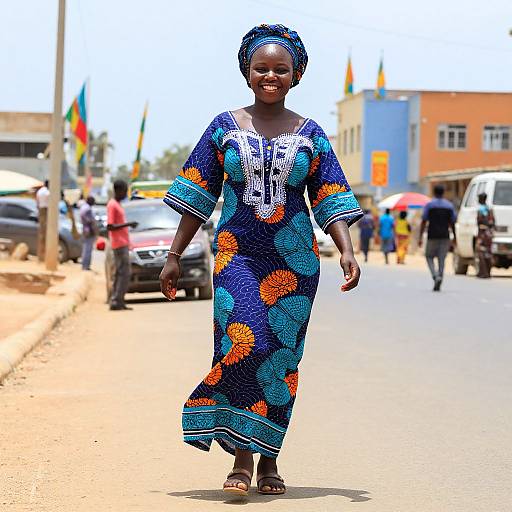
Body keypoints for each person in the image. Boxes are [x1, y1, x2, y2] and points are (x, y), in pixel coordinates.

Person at [159, 24, 363, 497]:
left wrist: (347, 249)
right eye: (262, 68)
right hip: (236, 255)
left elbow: (329, 196)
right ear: (247, 73)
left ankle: (270, 459)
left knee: (280, 358)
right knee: (241, 346)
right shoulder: (223, 127)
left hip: (294, 262)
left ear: (296, 75)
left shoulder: (310, 133)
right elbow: (196, 195)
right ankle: (242, 460)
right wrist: (173, 256)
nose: (270, 76)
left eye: (280, 69)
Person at [106, 180, 138, 310]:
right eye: (124, 191)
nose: (125, 194)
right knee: (123, 273)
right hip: (118, 244)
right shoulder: (112, 205)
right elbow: (110, 226)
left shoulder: (117, 204)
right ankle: (116, 300)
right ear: (118, 190)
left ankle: (118, 300)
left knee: (121, 272)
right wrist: (128, 224)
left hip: (123, 243)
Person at [419, 184, 457, 291]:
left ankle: (435, 275)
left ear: (434, 193)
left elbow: (423, 221)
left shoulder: (429, 205)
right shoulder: (449, 206)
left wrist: (420, 237)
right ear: (443, 192)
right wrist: (455, 237)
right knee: (442, 259)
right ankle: (440, 276)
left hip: (432, 235)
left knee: (429, 256)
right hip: (445, 235)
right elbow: (453, 222)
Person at [475, 192, 495, 278]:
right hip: (489, 234)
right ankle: (488, 272)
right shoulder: (489, 209)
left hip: (482, 233)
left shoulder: (480, 210)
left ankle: (483, 272)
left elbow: (479, 222)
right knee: (488, 252)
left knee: (481, 252)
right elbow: (493, 222)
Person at [79, 196, 98, 271]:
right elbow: (90, 221)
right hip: (89, 230)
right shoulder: (88, 209)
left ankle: (85, 265)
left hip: (85, 229)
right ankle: (85, 266)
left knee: (86, 248)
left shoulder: (83, 207)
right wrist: (94, 230)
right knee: (88, 248)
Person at [35, 180, 50, 261]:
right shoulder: (47, 192)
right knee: (45, 235)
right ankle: (43, 257)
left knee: (42, 235)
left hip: (41, 210)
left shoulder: (40, 191)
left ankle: (40, 256)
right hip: (45, 210)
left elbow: (37, 202)